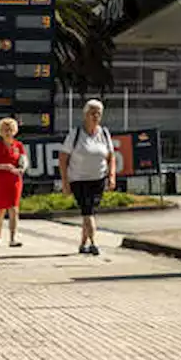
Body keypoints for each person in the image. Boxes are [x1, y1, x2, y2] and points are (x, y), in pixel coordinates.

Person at [59, 99, 116, 255]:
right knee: (88, 211)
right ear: (85, 114)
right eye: (92, 113)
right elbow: (63, 158)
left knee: (88, 211)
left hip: (98, 178)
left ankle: (83, 244)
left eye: (98, 113)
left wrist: (111, 176)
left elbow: (111, 157)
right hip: (79, 179)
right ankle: (94, 243)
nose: (96, 116)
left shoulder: (104, 133)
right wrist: (65, 182)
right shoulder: (75, 134)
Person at [0, 117, 28, 247]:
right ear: (0, 132)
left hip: (14, 180)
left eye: (10, 129)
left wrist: (21, 169)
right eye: (5, 130)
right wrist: (3, 166)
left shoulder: (19, 145)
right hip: (0, 181)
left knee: (14, 208)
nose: (8, 132)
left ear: (14, 131)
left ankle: (13, 238)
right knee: (0, 210)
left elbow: (24, 161)